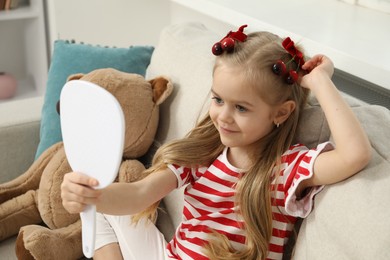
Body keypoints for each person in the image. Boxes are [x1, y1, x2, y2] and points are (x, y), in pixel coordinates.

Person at [61, 25, 371, 260]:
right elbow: (139, 193)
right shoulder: (204, 153)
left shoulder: (286, 170)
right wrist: (92, 196)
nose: (223, 116)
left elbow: (354, 155)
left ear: (281, 113)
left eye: (241, 108)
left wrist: (320, 81)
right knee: (104, 210)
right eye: (218, 99)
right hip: (169, 255)